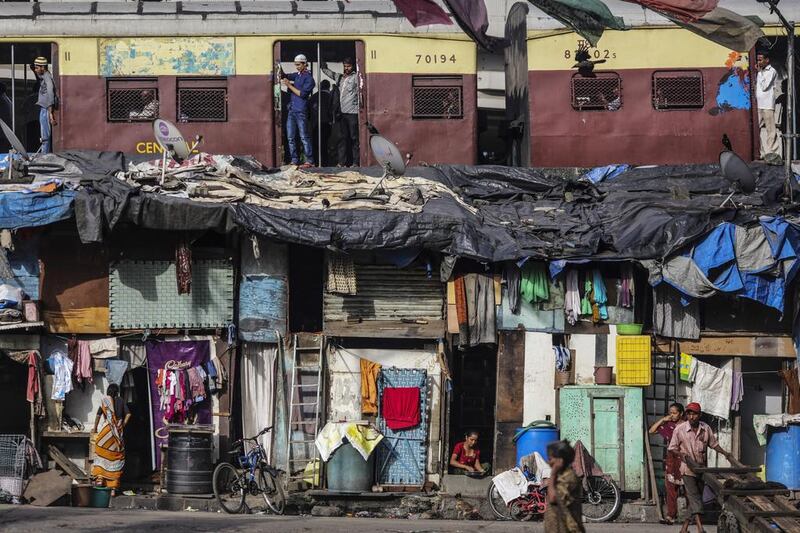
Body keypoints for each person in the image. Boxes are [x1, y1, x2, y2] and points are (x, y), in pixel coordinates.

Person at [668, 402, 733, 533]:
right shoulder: (680, 430)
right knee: (695, 498)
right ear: (686, 415)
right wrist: (682, 455)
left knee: (694, 500)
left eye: (695, 414)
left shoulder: (705, 428)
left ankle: (684, 529)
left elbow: (713, 444)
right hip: (687, 470)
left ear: (700, 415)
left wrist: (725, 453)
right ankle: (700, 528)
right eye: (689, 414)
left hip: (701, 470)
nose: (692, 417)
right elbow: (672, 448)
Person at [91, 384, 131, 496]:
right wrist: (122, 424)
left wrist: (94, 428)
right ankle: (113, 488)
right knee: (116, 458)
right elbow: (128, 414)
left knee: (100, 455)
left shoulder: (104, 401)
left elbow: (98, 415)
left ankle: (100, 479)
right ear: (117, 391)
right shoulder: (121, 400)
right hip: (117, 433)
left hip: (106, 433)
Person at [649, 402, 685, 524]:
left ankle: (691, 516)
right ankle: (671, 515)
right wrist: (663, 419)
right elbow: (652, 431)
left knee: (689, 488)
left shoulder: (686, 425)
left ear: (681, 413)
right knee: (671, 488)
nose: (672, 415)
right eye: (670, 413)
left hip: (685, 459)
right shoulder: (669, 425)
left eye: (675, 413)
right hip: (672, 459)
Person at [322, 57, 360, 166]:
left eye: (348, 66)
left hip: (353, 113)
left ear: (353, 66)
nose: (346, 68)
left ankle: (355, 162)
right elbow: (329, 73)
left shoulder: (356, 78)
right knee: (342, 138)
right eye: (345, 66)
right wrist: (323, 64)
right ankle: (341, 162)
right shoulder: (339, 78)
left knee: (354, 139)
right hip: (342, 114)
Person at [281, 54, 315, 168]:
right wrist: (278, 66)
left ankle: (309, 160)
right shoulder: (298, 75)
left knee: (304, 136)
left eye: (299, 64)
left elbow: (302, 94)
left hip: (300, 110)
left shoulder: (309, 79)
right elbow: (285, 75)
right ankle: (295, 160)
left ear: (305, 64)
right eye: (296, 64)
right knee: (290, 136)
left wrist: (289, 85)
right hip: (292, 109)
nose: (297, 67)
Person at [544, 440, 585, 533]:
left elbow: (553, 498)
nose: (548, 462)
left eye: (550, 459)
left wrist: (553, 473)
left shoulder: (569, 477)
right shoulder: (561, 475)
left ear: (560, 460)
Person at [756, 51, 782, 160]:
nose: (759, 62)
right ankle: (763, 153)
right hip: (759, 105)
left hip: (767, 105)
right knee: (758, 129)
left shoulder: (771, 71)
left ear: (767, 60)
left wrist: (760, 73)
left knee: (770, 130)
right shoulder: (760, 72)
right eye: (758, 59)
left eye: (761, 59)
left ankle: (773, 154)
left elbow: (765, 86)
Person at [32, 57, 57, 154]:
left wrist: (50, 113)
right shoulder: (43, 76)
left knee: (45, 135)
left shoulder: (47, 77)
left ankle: (44, 156)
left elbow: (50, 93)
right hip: (44, 108)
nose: (35, 69)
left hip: (46, 109)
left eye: (37, 67)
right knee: (44, 134)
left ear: (43, 67)